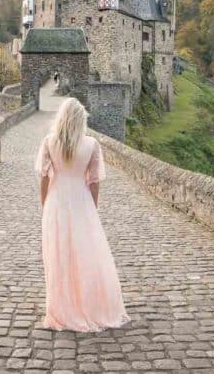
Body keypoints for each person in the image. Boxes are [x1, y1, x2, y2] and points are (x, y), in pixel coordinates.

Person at [35, 98, 130, 332]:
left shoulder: (49, 142)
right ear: (81, 120)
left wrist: (44, 203)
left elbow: (44, 177)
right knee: (86, 253)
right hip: (81, 200)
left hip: (57, 201)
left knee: (59, 254)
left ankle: (62, 305)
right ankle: (88, 303)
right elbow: (94, 181)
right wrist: (92, 207)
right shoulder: (91, 144)